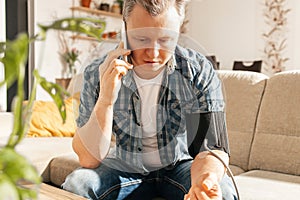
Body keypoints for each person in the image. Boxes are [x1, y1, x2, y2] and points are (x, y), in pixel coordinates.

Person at [62, 0, 237, 199]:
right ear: (124, 28)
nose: (153, 53)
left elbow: (212, 147)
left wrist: (205, 181)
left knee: (222, 191)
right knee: (78, 183)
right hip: (125, 167)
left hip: (181, 166)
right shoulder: (97, 72)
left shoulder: (197, 70)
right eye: (141, 39)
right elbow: (88, 159)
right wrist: (106, 100)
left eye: (165, 40)